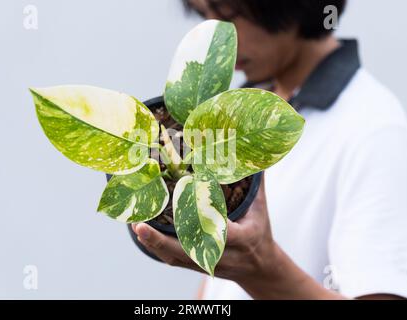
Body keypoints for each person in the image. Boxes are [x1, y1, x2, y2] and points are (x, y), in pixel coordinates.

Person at [133, 0, 407, 299]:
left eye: (228, 11)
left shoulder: (374, 128)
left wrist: (261, 268)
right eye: (203, 14)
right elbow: (220, 287)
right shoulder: (240, 105)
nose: (216, 33)